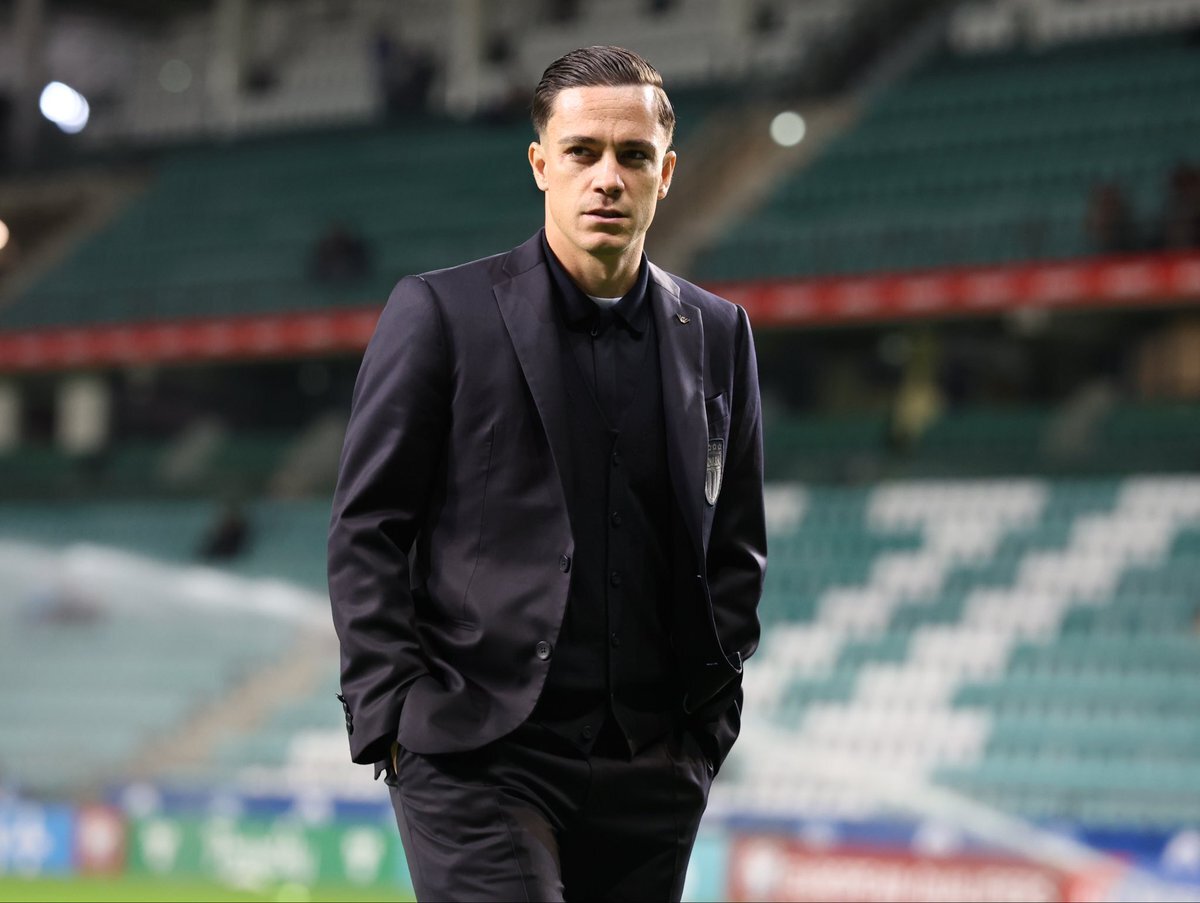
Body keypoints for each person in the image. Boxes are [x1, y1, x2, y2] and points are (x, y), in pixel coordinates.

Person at [328, 45, 766, 902]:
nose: (607, 177)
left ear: (666, 173)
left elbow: (736, 547)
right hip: (476, 751)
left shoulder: (720, 334)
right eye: (582, 152)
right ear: (540, 164)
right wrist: (395, 715)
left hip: (652, 767)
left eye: (632, 155)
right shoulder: (441, 312)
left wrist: (702, 732)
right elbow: (366, 527)